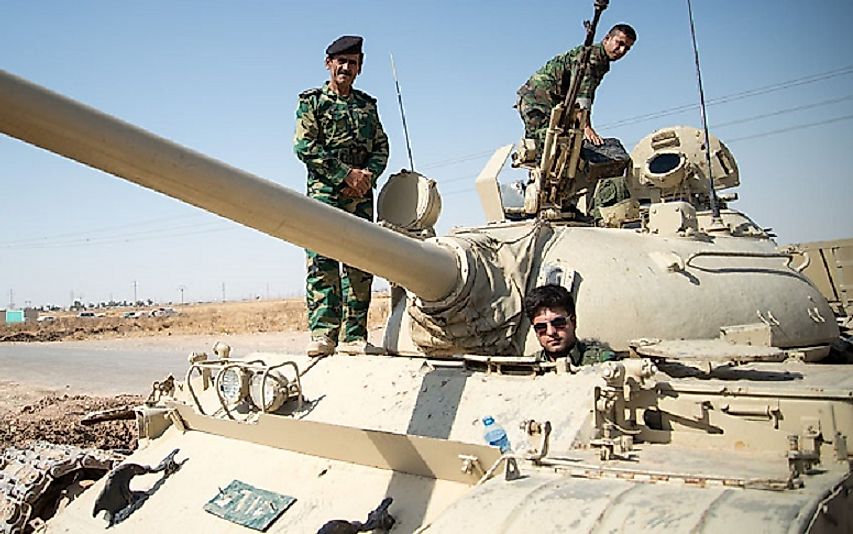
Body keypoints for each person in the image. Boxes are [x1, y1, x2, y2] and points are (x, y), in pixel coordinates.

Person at [294, 35, 389, 356]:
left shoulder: (367, 105)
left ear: (359, 68)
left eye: (353, 63)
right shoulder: (312, 103)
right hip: (324, 194)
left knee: (360, 266)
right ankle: (323, 334)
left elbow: (381, 147)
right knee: (323, 263)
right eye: (341, 62)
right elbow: (305, 146)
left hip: (360, 196)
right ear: (329, 64)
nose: (346, 68)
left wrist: (366, 177)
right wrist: (344, 175)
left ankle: (354, 336)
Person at [516, 23, 637, 152]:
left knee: (563, 142)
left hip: (553, 100)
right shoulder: (592, 57)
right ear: (607, 39)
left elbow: (587, 92)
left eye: (627, 48)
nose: (622, 51)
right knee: (547, 143)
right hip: (538, 98)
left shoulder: (602, 60)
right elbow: (583, 94)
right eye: (619, 43)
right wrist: (586, 127)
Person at [523, 284, 615, 366]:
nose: (551, 332)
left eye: (558, 323)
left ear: (573, 322)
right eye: (541, 327)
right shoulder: (529, 367)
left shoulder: (602, 362)